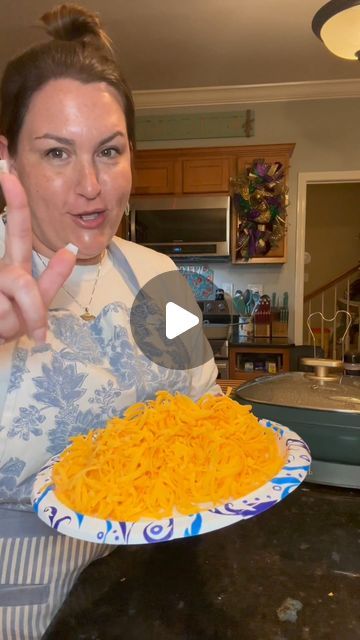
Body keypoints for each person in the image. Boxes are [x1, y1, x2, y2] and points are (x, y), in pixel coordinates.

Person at [0, 4, 219, 638]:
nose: (91, 185)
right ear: (9, 163)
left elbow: (206, 411)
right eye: (57, 152)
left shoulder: (161, 278)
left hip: (153, 593)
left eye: (110, 151)